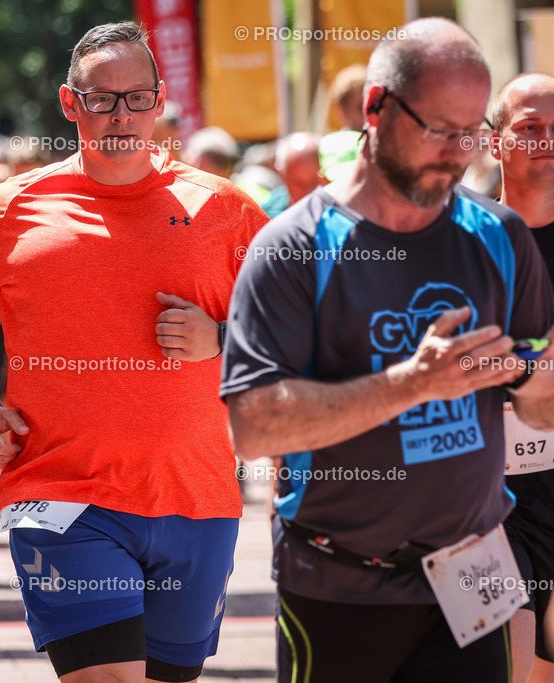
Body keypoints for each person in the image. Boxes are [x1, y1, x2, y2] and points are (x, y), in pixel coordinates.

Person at [221, 19, 554, 682]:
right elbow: (253, 425)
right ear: (376, 107)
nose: (457, 152)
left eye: (468, 132)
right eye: (438, 127)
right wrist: (412, 384)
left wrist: (535, 377)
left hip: (472, 578)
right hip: (340, 585)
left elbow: (539, 407)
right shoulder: (295, 247)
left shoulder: (499, 236)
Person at [0, 21, 267, 682]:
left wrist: (222, 340)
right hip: (61, 494)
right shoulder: (12, 209)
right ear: (70, 102)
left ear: (160, 99)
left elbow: (294, 325)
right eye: (102, 98)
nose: (121, 114)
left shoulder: (224, 210)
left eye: (136, 98)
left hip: (196, 499)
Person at [490, 72, 554, 683]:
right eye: (529, 128)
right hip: (477, 499)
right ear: (494, 143)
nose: (546, 140)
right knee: (503, 659)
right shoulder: (458, 240)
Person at [274, 132, 325, 205]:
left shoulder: (338, 211)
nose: (307, 192)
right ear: (282, 176)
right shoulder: (266, 214)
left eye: (314, 182)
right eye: (298, 183)